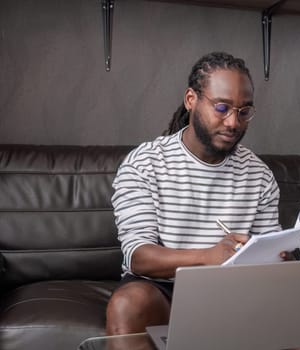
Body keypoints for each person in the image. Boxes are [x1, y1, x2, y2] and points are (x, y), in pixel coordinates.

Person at [105, 52, 282, 335]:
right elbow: (139, 256)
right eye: (222, 108)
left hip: (236, 290)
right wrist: (208, 256)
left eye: (244, 111)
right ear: (191, 100)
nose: (234, 123)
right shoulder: (146, 163)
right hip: (165, 290)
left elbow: (269, 249)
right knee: (129, 304)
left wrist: (277, 254)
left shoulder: (258, 174)